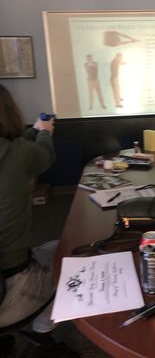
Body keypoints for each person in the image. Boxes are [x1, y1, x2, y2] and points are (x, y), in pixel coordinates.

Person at [0, 85, 79, 357]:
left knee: (59, 247)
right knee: (70, 262)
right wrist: (45, 132)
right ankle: (43, 340)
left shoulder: (15, 150)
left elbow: (16, 147)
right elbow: (43, 156)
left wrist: (34, 130)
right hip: (9, 292)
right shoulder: (18, 153)